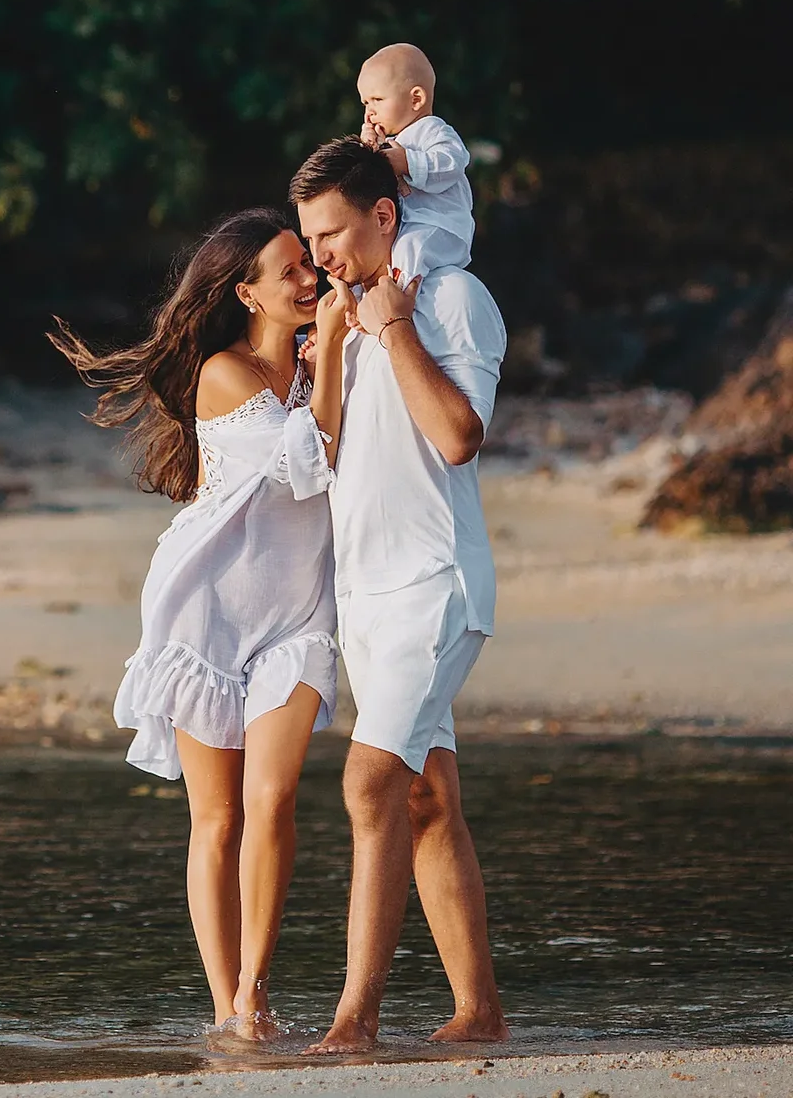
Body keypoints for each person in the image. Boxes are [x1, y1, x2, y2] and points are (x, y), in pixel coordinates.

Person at [48, 207, 354, 1040]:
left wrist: (330, 355)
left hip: (295, 614)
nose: (308, 277)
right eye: (289, 268)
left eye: (307, 263)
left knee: (275, 795)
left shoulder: (321, 358)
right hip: (208, 613)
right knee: (216, 818)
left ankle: (257, 984)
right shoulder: (226, 372)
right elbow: (306, 464)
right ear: (246, 291)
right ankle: (229, 1006)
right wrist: (321, 363)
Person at [289, 137, 510, 1053]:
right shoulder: (348, 313)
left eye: (333, 232)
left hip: (434, 585)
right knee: (426, 801)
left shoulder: (451, 299)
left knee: (367, 784)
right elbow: (326, 456)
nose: (320, 256)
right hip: (366, 601)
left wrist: (394, 329)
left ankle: (355, 1018)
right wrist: (342, 339)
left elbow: (459, 436)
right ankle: (480, 1014)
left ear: (385, 215)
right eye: (310, 240)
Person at [356, 43, 475, 281]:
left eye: (377, 99)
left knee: (410, 248)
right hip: (412, 226)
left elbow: (453, 161)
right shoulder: (392, 141)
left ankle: (399, 301)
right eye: (365, 103)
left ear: (416, 99)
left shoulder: (433, 130)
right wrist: (369, 148)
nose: (370, 112)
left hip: (442, 226)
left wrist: (408, 163)